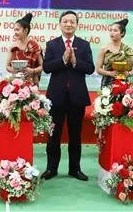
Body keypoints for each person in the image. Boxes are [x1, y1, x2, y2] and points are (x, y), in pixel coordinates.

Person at [41, 10, 95, 182]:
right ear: (60, 24)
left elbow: (90, 68)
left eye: (72, 21)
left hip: (76, 97)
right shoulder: (52, 45)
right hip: (56, 97)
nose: (69, 24)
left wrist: (75, 62)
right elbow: (47, 67)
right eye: (66, 21)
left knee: (75, 135)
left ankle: (75, 169)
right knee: (53, 135)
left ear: (77, 24)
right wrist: (63, 60)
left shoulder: (84, 45)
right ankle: (51, 168)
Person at [95, 18, 133, 88]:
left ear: (122, 33)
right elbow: (98, 69)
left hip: (123, 83)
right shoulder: (104, 49)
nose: (112, 33)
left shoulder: (128, 50)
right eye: (110, 30)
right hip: (107, 83)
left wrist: (127, 73)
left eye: (115, 30)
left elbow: (132, 71)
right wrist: (110, 73)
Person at [5, 13, 43, 85]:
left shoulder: (35, 46)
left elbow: (42, 66)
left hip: (32, 82)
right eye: (14, 30)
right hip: (15, 83)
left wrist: (32, 70)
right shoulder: (13, 47)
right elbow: (7, 66)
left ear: (25, 30)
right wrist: (14, 70)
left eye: (17, 30)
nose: (15, 32)